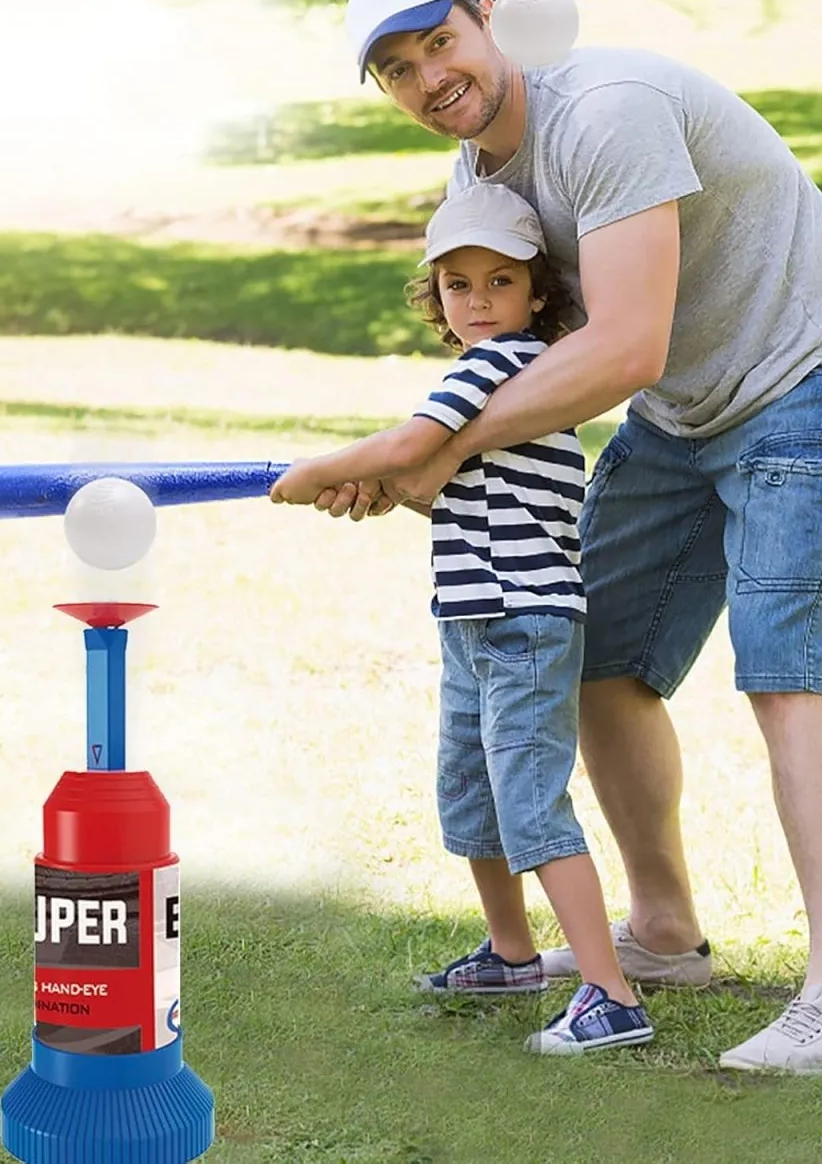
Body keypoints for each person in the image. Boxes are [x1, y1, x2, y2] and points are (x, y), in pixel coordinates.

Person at [322, 0, 822, 1073]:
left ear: (483, 18)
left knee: (783, 669)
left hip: (809, 373)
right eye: (397, 71)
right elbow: (520, 349)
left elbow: (624, 345)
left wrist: (425, 446)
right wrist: (420, 460)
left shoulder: (608, 113)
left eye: (437, 43)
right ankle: (667, 931)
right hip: (684, 408)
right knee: (597, 657)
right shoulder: (479, 170)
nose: (429, 78)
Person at [271, 182, 654, 1055]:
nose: (478, 302)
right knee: (472, 790)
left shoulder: (503, 366)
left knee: (529, 801)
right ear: (435, 295)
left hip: (523, 621)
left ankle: (611, 991)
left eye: (500, 282)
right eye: (457, 285)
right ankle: (513, 954)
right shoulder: (488, 383)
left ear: (537, 294)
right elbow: (433, 487)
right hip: (475, 618)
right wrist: (371, 491)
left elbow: (408, 449)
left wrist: (312, 470)